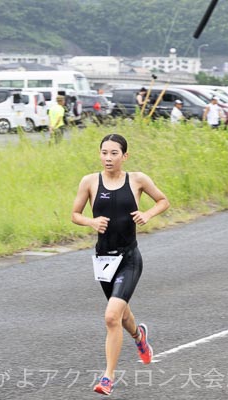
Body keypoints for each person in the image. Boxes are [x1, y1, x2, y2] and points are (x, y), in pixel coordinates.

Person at [71, 133, 170, 396]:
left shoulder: (137, 180)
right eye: (104, 152)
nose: (108, 158)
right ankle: (139, 337)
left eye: (114, 153)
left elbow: (163, 201)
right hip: (104, 259)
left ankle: (108, 377)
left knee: (111, 316)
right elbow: (75, 214)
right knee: (122, 314)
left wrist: (147, 214)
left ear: (125, 156)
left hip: (129, 258)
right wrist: (91, 222)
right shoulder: (90, 182)